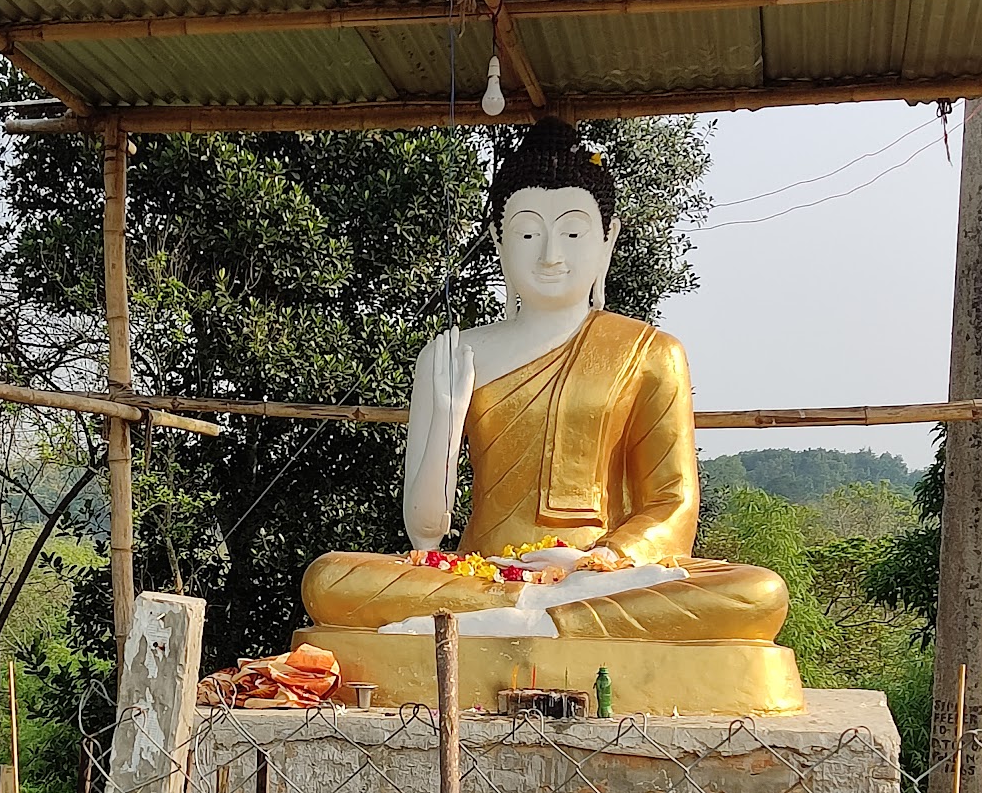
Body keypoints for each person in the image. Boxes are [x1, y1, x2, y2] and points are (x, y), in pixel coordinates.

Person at [302, 118, 788, 645]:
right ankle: (540, 614)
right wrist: (446, 416)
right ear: (498, 241)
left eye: (574, 233)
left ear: (608, 240)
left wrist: (597, 558)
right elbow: (424, 532)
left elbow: (672, 504)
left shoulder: (651, 353)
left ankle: (528, 616)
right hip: (478, 575)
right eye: (529, 233)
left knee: (756, 592)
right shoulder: (452, 352)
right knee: (330, 579)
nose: (550, 254)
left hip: (602, 577)